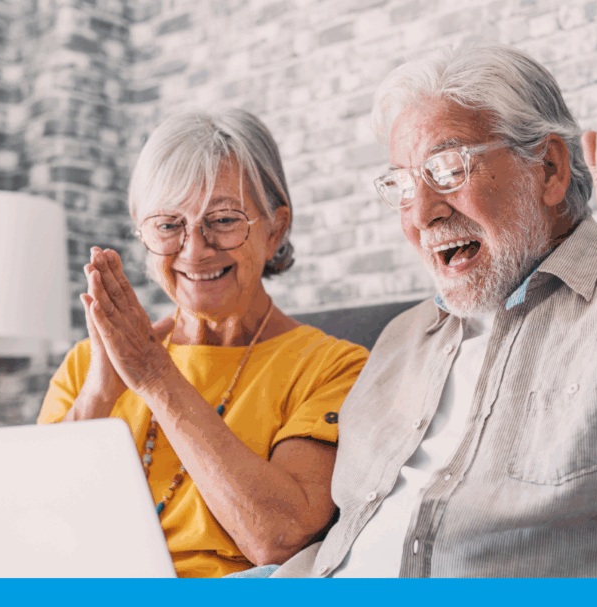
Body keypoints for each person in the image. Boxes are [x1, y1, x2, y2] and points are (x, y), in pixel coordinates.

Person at [267, 44, 597, 578]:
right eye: (402, 184)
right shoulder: (402, 337)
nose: (422, 214)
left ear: (549, 169)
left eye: (447, 169)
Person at [37, 109, 369, 578]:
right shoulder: (89, 364)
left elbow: (277, 536)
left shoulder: (334, 367)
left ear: (276, 230)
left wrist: (154, 377)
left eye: (224, 219)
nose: (194, 250)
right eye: (168, 225)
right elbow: (33, 528)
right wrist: (99, 393)